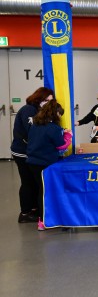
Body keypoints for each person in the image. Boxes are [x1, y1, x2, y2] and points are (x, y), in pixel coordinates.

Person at [26, 100, 72, 231]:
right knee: (50, 191)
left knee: (41, 190)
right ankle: (51, 220)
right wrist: (68, 136)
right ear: (56, 113)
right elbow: (61, 145)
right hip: (46, 164)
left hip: (32, 163)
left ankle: (42, 220)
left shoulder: (35, 125)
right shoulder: (54, 128)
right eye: (59, 114)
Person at [11, 87, 54, 224]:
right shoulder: (28, 110)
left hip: (32, 152)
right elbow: (32, 132)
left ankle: (34, 208)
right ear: (38, 98)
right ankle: (25, 213)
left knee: (35, 182)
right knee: (27, 182)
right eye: (46, 100)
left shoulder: (38, 111)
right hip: (23, 152)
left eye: (50, 101)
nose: (47, 103)